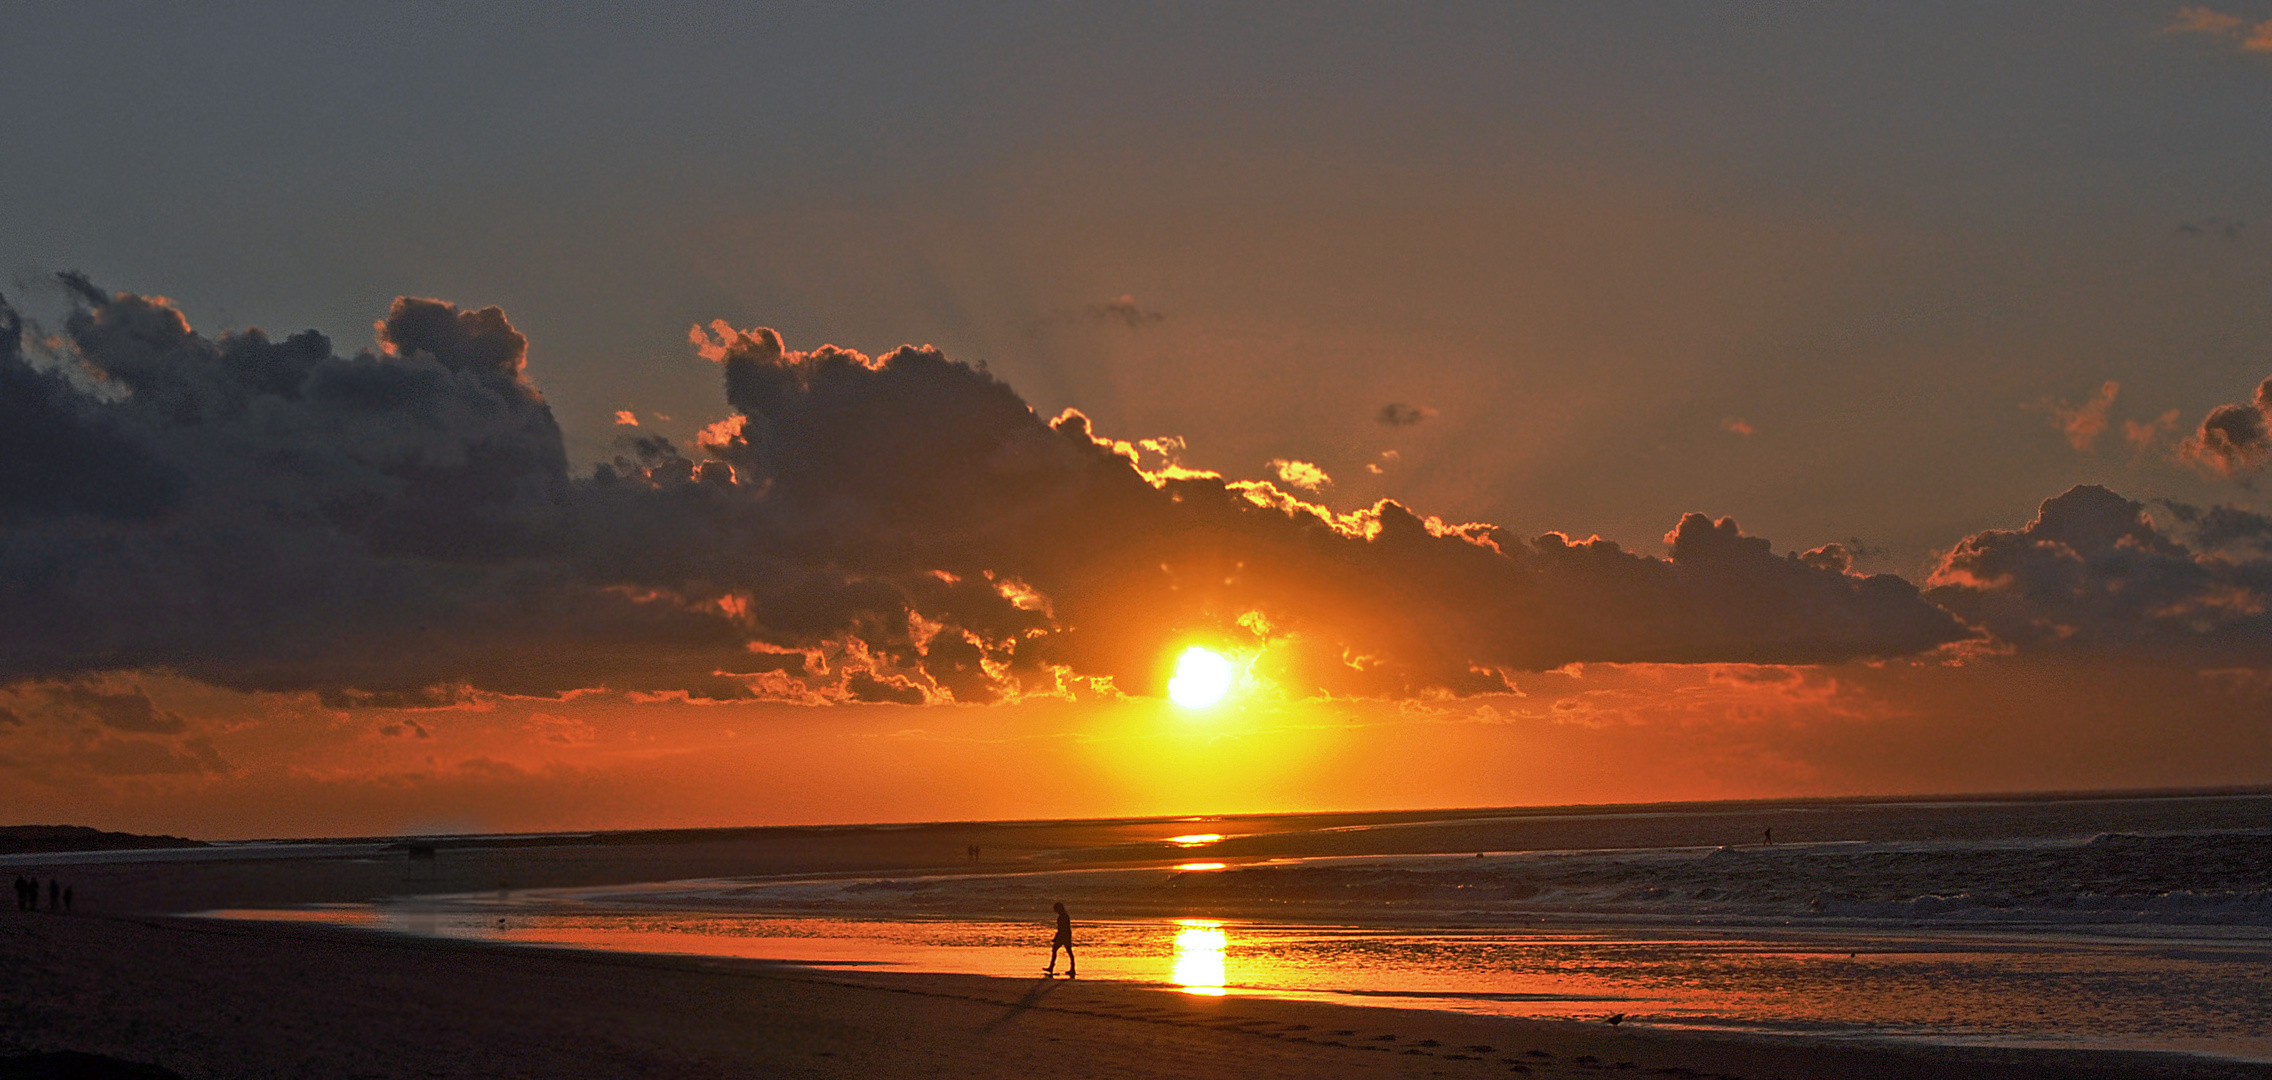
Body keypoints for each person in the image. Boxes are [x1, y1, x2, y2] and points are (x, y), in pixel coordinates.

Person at [1045, 901, 1076, 977]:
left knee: (1056, 950)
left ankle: (1052, 967)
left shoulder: (1062, 917)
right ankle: (1072, 969)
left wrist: (1056, 938)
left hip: (1063, 936)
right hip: (1066, 936)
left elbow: (1061, 929)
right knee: (1069, 952)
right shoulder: (1065, 916)